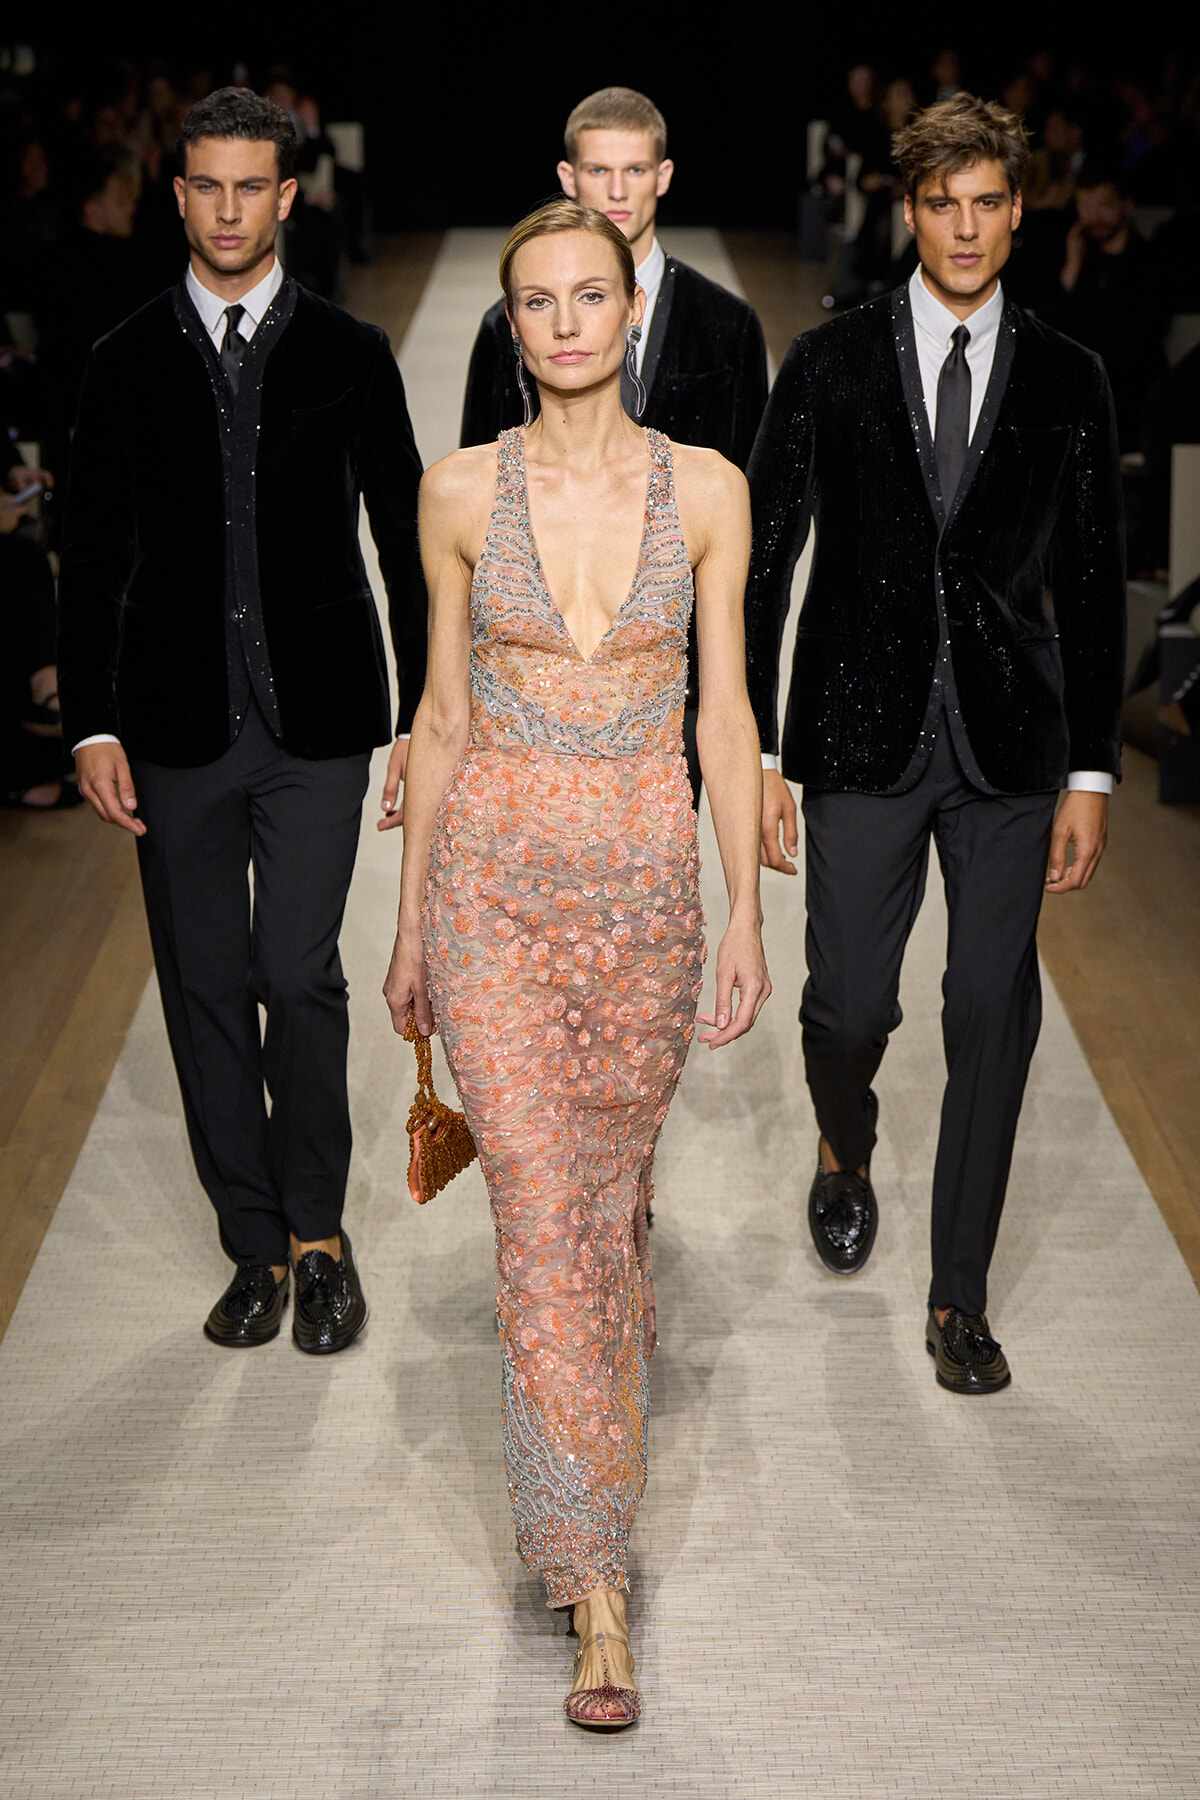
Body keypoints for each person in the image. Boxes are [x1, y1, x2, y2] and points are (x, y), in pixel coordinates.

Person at [384, 198, 769, 1726]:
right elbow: (441, 717)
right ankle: (593, 1578)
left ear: (632, 307)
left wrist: (749, 914)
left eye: (588, 296)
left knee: (604, 1211)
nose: (562, 324)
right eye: (535, 302)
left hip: (644, 906)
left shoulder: (713, 491)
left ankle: (609, 1345)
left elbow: (725, 716)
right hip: (493, 896)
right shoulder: (459, 491)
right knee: (541, 1219)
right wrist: (409, 923)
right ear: (510, 324)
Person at [746, 93, 1125, 1395]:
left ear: (1019, 213)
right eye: (941, 204)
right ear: (907, 212)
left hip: (1014, 746)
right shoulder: (829, 361)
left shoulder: (1072, 378)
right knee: (849, 1004)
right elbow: (764, 561)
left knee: (989, 1011)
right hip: (860, 729)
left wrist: (1092, 772)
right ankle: (844, 1145)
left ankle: (959, 1295)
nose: (965, 228)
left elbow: (1094, 581)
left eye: (987, 204)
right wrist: (758, 754)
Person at [57, 88, 427, 1354]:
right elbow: (89, 553)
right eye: (206, 187)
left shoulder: (350, 352)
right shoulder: (121, 361)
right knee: (205, 985)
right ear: (179, 197)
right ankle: (255, 1246)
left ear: (287, 196)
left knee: (297, 973)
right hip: (172, 722)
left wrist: (425, 711)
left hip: (319, 719)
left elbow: (406, 540)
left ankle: (319, 1236)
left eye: (249, 187)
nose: (228, 210)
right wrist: (92, 725)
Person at [459, 86, 768, 805]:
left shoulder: (727, 326)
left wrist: (756, 743)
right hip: (534, 688)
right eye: (600, 171)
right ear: (569, 178)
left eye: (635, 170)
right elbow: (479, 514)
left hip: (684, 675)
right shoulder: (502, 329)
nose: (618, 191)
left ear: (664, 175)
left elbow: (754, 534)